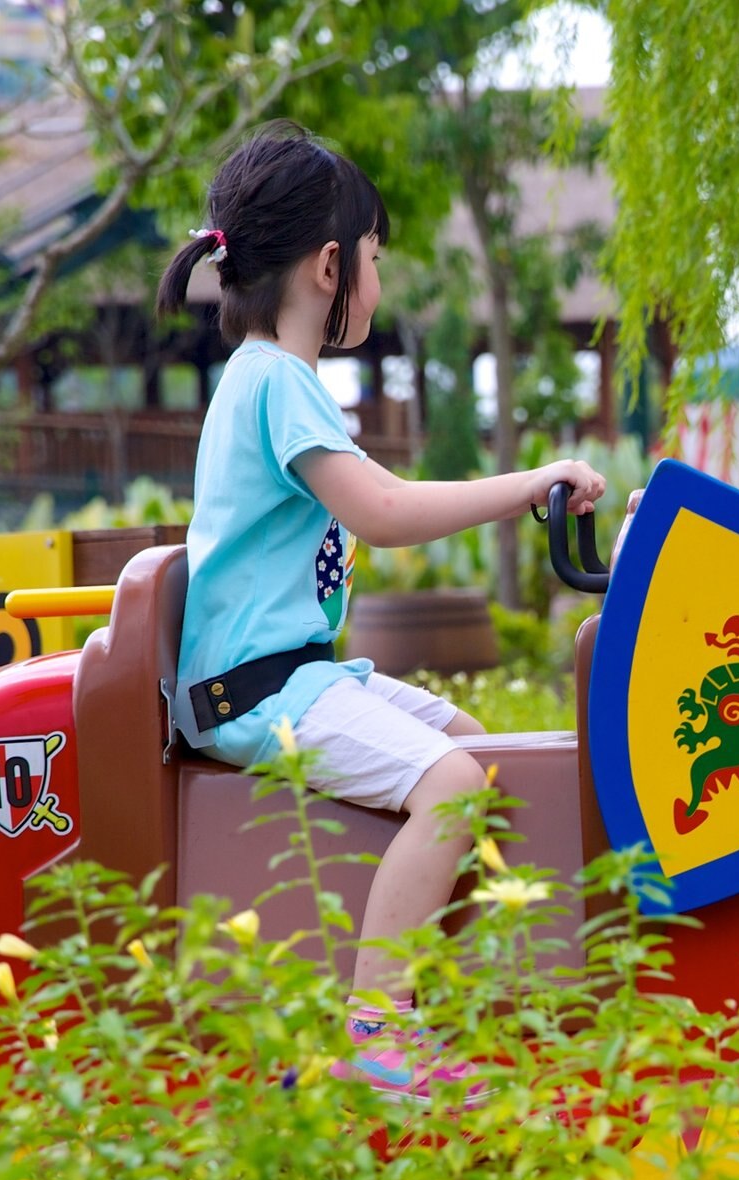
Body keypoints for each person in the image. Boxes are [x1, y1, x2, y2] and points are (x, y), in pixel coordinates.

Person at [155, 122, 605, 1101]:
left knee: (475, 749)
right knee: (450, 781)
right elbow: (386, 514)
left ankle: (438, 988)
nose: (375, 277)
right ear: (329, 266)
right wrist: (531, 482)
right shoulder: (279, 381)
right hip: (254, 687)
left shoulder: (269, 380)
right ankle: (382, 1028)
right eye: (373, 258)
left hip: (289, 673)